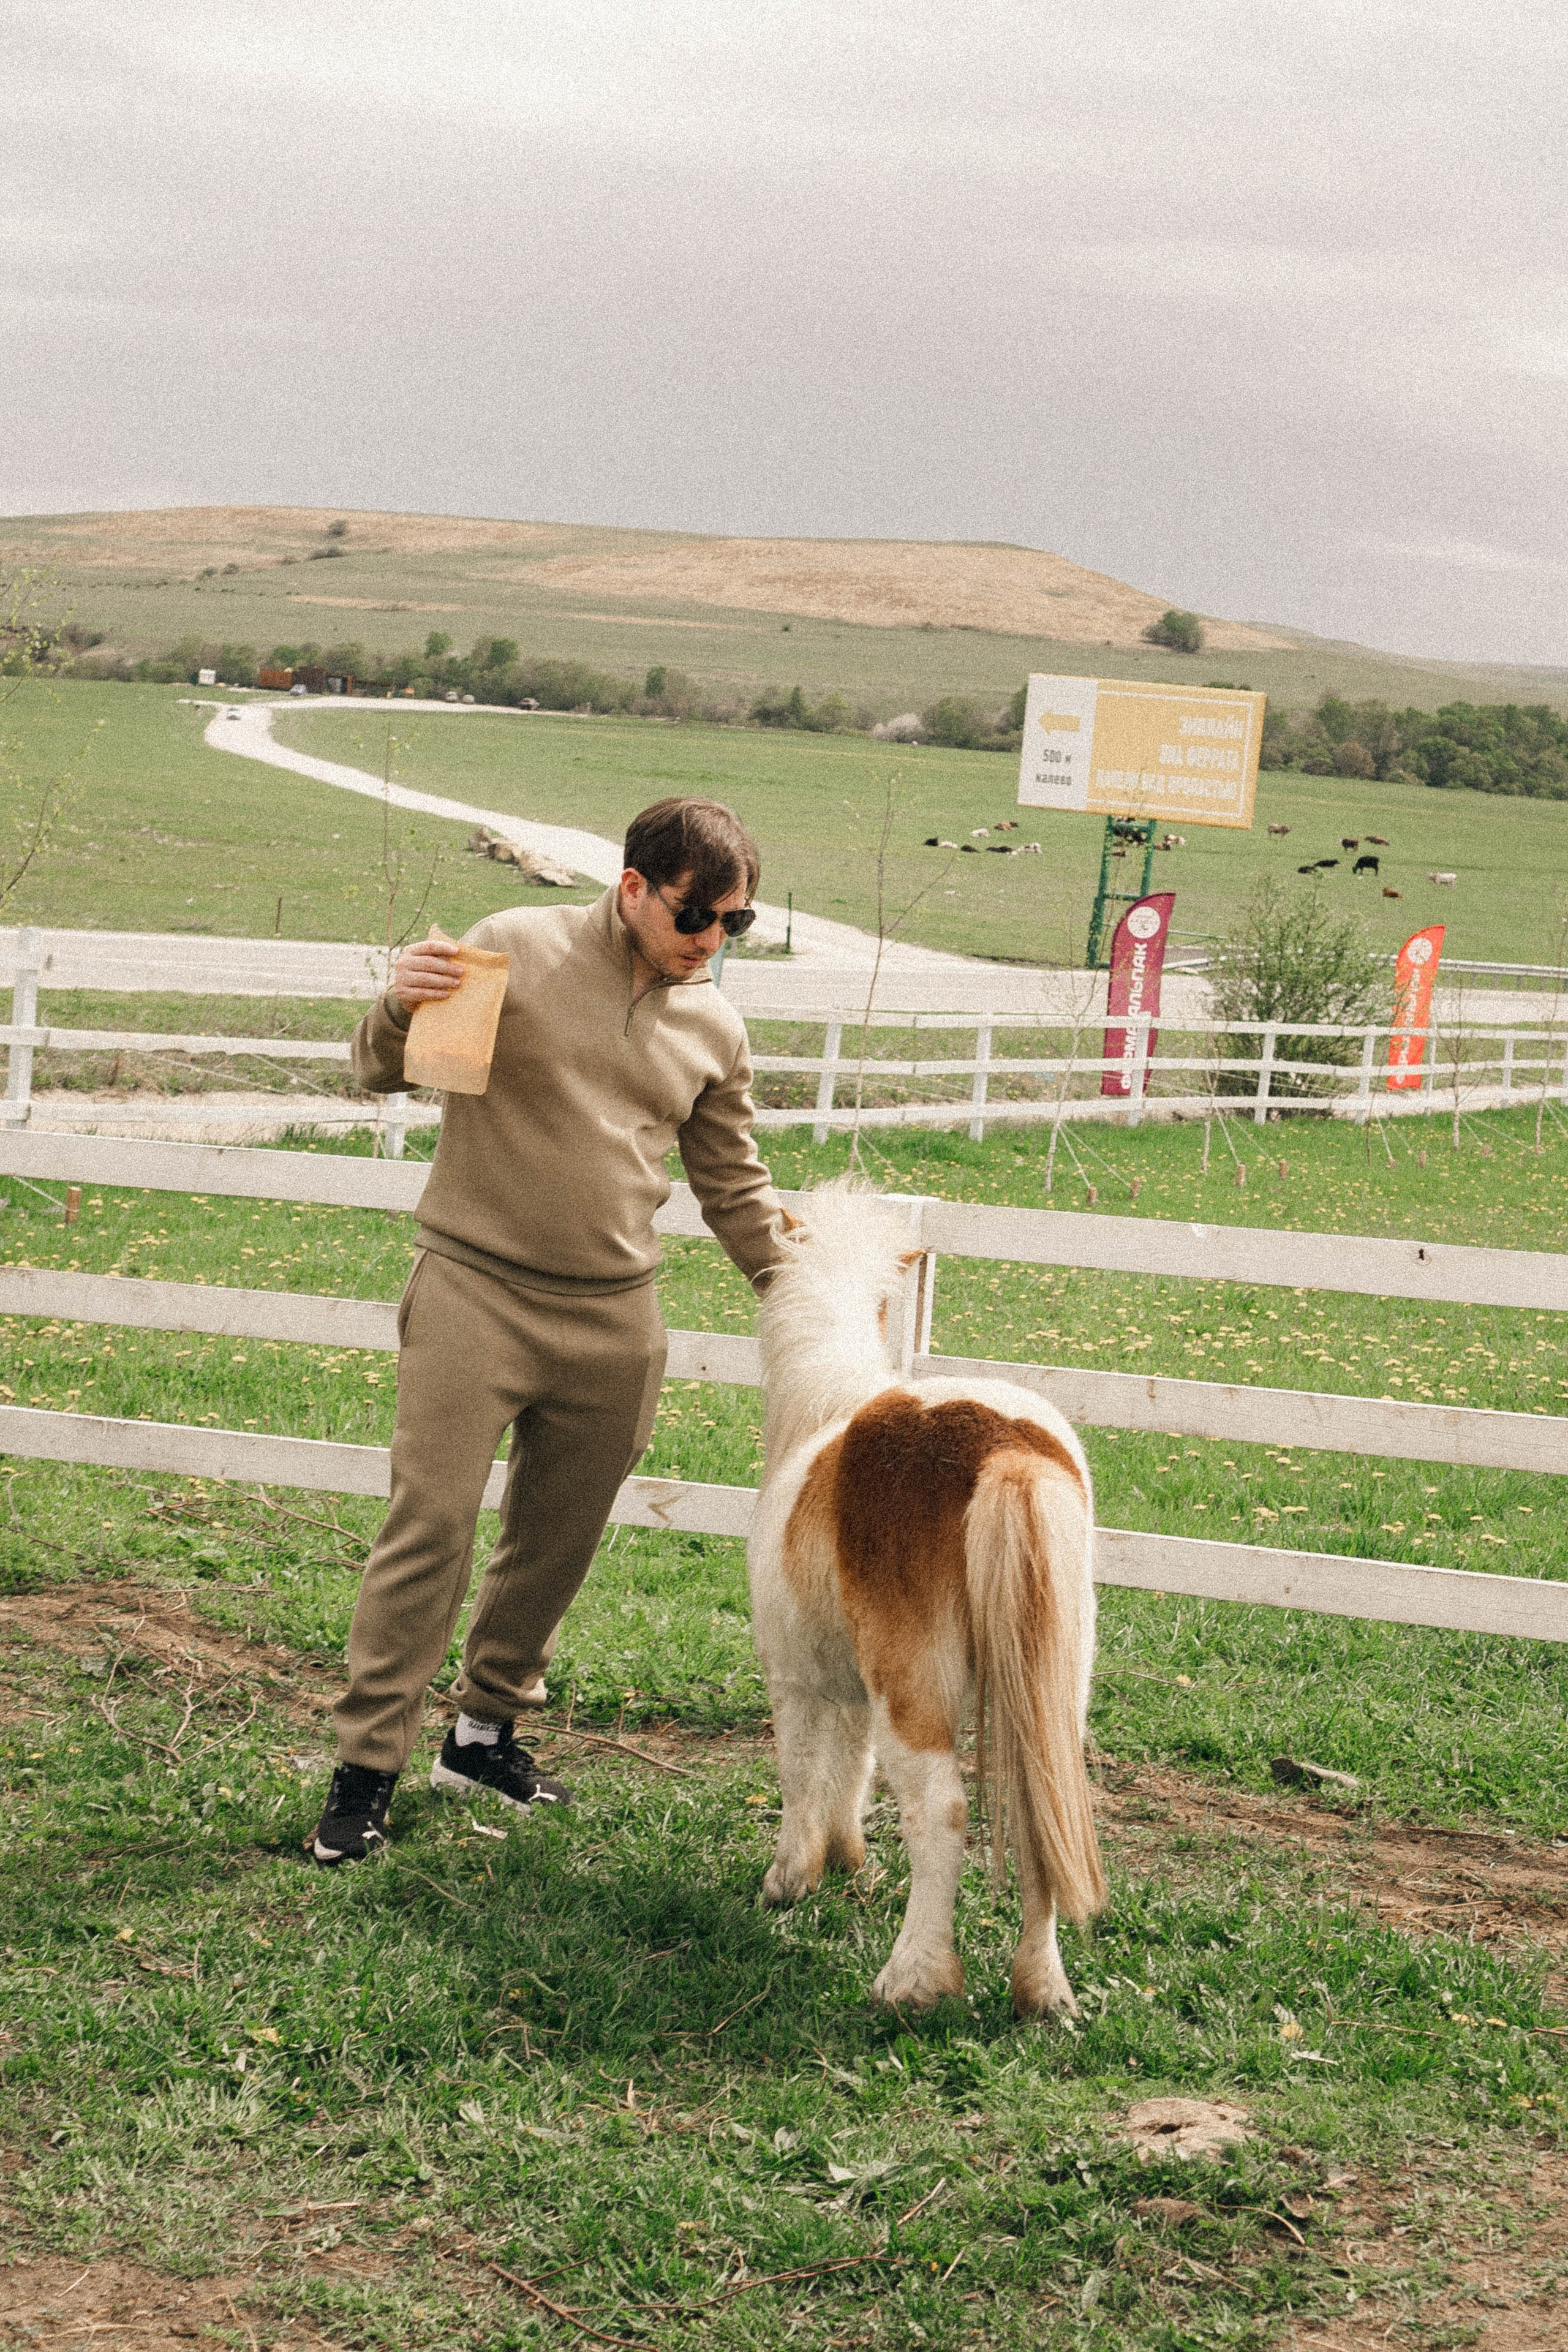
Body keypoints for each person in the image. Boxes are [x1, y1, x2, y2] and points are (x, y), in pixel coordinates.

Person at [307, 796, 786, 1865]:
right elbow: (382, 1070)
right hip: (475, 1289)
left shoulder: (716, 1026)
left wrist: (803, 1296)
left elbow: (734, 1188)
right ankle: (363, 1773)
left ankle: (482, 1736)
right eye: (697, 915)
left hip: (615, 1319)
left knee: (557, 1540)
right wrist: (395, 1008)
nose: (713, 941)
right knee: (429, 1526)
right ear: (632, 888)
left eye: (736, 924)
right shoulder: (510, 947)